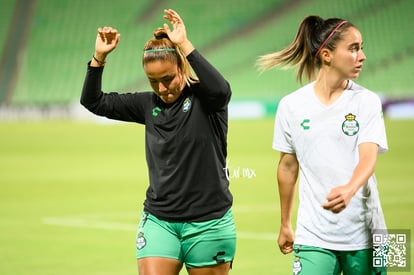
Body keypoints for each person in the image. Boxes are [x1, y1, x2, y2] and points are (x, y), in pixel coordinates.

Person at [80, 9, 236, 275]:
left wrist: (184, 44)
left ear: (181, 67)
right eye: (153, 82)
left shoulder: (206, 100)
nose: (162, 89)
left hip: (208, 222)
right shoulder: (146, 104)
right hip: (159, 220)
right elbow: (92, 101)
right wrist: (99, 58)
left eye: (168, 79)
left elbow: (222, 90)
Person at [257, 16, 388, 274]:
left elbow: (368, 158)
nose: (361, 56)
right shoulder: (291, 106)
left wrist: (349, 189)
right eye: (353, 48)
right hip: (312, 235)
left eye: (362, 47)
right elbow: (287, 167)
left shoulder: (369, 101)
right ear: (327, 55)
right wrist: (285, 223)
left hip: (374, 233)